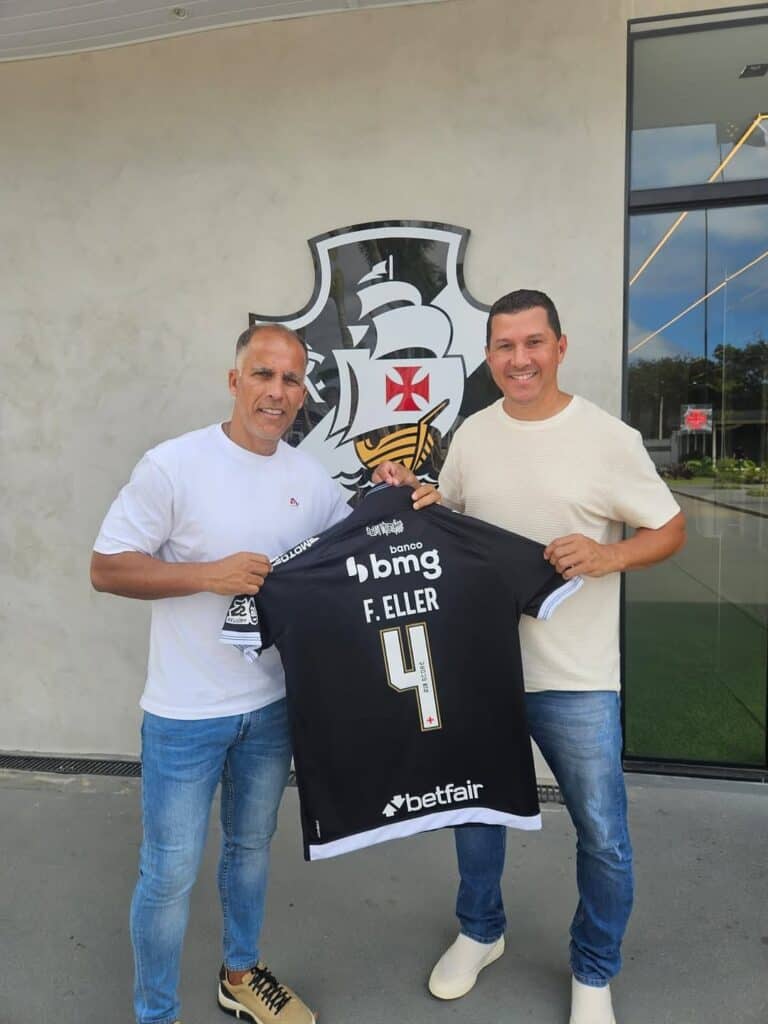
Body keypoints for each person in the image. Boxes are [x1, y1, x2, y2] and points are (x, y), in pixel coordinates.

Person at [90, 323, 436, 1024]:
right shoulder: (173, 465)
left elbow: (355, 549)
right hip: (185, 713)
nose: (276, 392)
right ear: (234, 380)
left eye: (290, 380)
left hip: (272, 708)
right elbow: (107, 568)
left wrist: (399, 492)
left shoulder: (308, 479)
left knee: (249, 850)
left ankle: (241, 975)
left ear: (303, 393)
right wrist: (206, 575)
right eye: (263, 374)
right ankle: (156, 1013)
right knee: (168, 873)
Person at [377, 289, 686, 1024]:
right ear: (489, 356)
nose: (520, 359)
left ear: (560, 346)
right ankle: (481, 931)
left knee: (603, 835)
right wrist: (414, 492)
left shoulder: (609, 438)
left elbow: (670, 528)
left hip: (576, 678)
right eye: (505, 346)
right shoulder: (473, 434)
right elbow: (453, 516)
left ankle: (594, 970)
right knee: (475, 815)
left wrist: (610, 556)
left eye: (533, 342)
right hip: (481, 670)